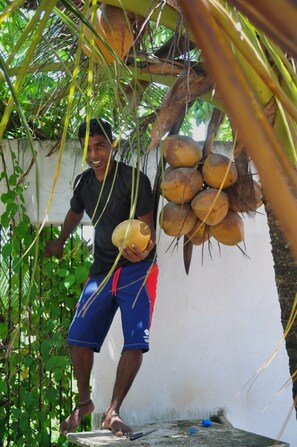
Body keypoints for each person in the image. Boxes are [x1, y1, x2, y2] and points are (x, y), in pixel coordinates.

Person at [45, 118, 158, 437]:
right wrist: (61, 240)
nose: (94, 153)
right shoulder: (83, 183)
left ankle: (113, 412)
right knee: (78, 336)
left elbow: (146, 226)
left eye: (100, 146)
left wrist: (143, 248)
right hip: (101, 272)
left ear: (112, 145)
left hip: (137, 269)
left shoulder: (133, 180)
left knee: (135, 339)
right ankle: (84, 403)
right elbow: (75, 211)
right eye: (88, 148)